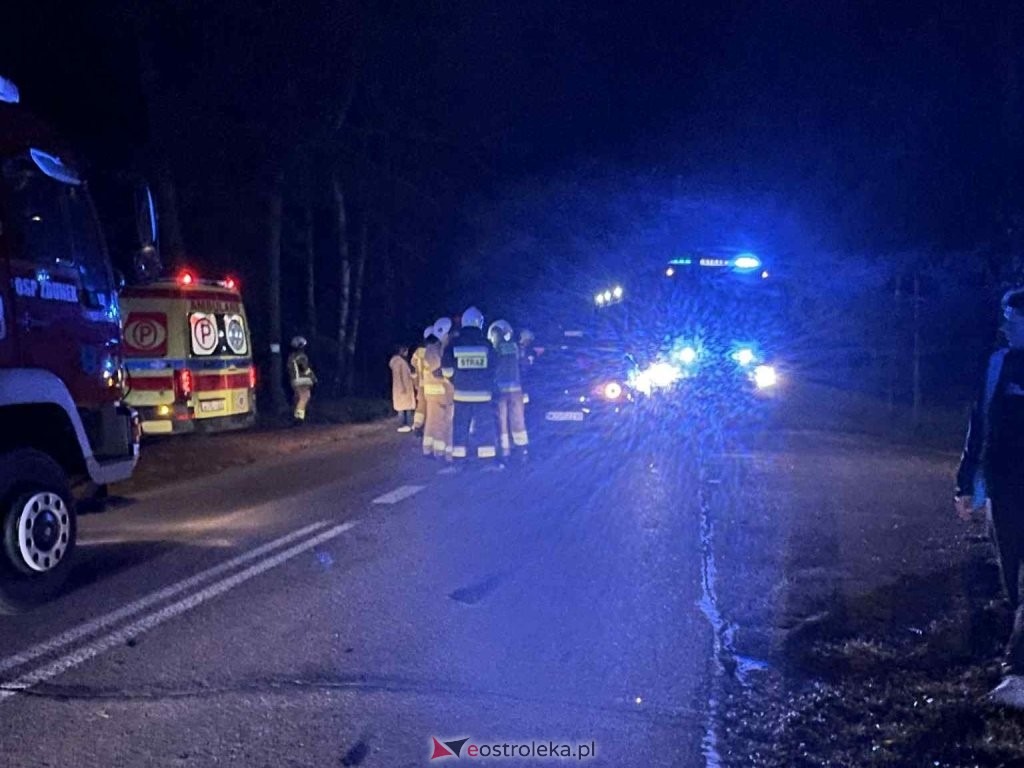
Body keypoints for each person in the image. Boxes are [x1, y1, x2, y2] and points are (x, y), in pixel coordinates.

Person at [957, 287, 1024, 703]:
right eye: (1010, 318)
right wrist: (966, 484)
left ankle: (1017, 673)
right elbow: (978, 424)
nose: (1012, 326)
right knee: (1012, 576)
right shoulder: (997, 365)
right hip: (1004, 486)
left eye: (1019, 319)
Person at [442, 306, 497, 464]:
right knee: (485, 427)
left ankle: (459, 460)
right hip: (483, 395)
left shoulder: (455, 343)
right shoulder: (486, 343)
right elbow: (494, 367)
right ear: (479, 323)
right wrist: (487, 382)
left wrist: (455, 380)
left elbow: (446, 368)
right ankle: (487, 460)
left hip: (461, 394)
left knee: (460, 427)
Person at [489, 319, 529, 462]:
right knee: (518, 420)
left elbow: (491, 368)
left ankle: (505, 451)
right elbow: (523, 366)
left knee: (502, 422)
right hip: (516, 390)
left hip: (500, 390)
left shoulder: (494, 349)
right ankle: (522, 450)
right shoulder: (515, 347)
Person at [422, 318, 454, 459]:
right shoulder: (434, 350)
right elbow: (438, 371)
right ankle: (443, 452)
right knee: (443, 424)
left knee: (433, 423)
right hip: (441, 393)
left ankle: (432, 450)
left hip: (435, 393)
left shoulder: (433, 349)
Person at [287, 336, 317, 425]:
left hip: (294, 381)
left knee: (298, 398)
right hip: (302, 380)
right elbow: (304, 369)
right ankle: (299, 418)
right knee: (305, 397)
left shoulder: (291, 357)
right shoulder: (301, 357)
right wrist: (313, 378)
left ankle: (298, 415)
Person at [389, 345, 416, 432]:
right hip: (402, 388)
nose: (407, 353)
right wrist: (402, 388)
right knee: (403, 408)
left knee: (405, 407)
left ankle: (407, 424)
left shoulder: (401, 361)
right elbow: (398, 376)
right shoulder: (398, 362)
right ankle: (403, 424)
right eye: (406, 351)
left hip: (405, 387)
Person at [410, 339, 428, 433]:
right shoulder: (433, 351)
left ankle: (417, 424)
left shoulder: (417, 352)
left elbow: (413, 364)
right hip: (432, 382)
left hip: (421, 384)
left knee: (420, 406)